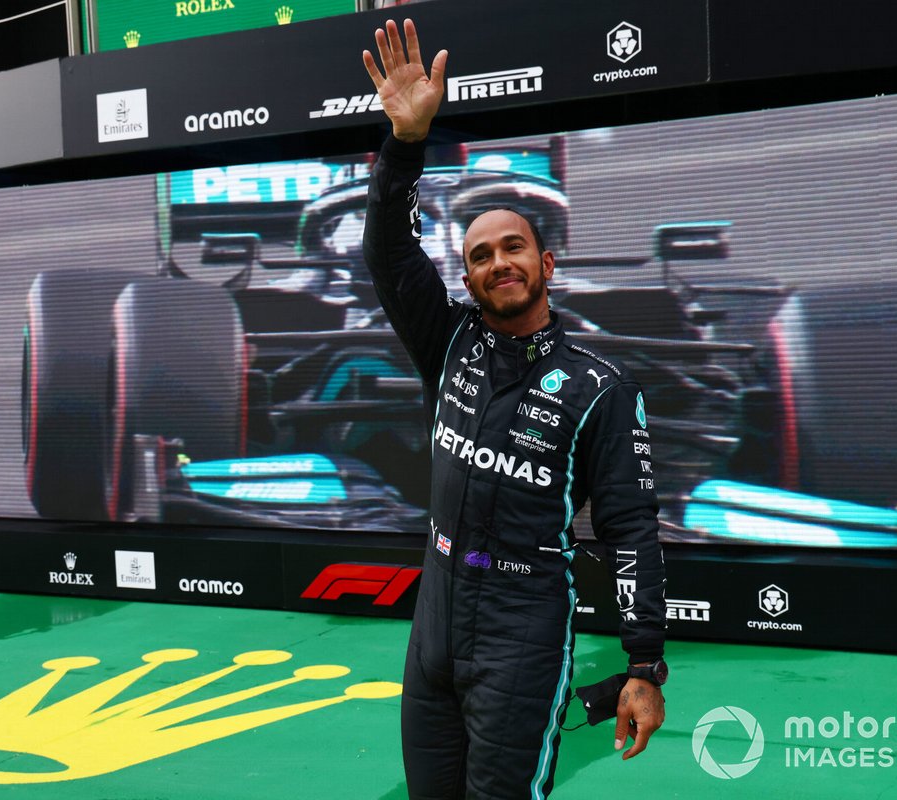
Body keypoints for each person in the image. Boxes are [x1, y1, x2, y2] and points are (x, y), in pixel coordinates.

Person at [361, 19, 668, 800]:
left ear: (547, 263)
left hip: (523, 623)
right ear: (466, 279)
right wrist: (405, 142)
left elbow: (630, 530)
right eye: (480, 255)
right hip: (436, 615)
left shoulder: (600, 384)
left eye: (514, 247)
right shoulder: (451, 341)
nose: (499, 261)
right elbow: (389, 254)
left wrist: (642, 666)